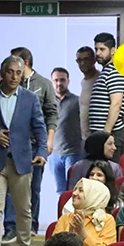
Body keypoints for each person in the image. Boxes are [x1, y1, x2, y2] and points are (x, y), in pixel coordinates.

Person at [0, 55, 48, 246]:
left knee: (23, 209)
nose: (14, 76)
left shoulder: (30, 98)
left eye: (19, 72)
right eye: (10, 72)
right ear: (2, 73)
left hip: (22, 159)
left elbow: (39, 127)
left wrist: (42, 152)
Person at [10, 48, 58, 236]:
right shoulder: (9, 84)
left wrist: (49, 140)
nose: (12, 70)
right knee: (11, 188)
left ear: (26, 63)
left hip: (35, 144)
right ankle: (10, 228)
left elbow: (52, 113)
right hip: (13, 145)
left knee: (33, 187)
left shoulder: (44, 84)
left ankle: (31, 227)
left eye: (15, 63)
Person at [55, 178, 116, 246]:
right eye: (75, 189)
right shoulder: (65, 218)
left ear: (94, 196)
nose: (74, 193)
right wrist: (69, 237)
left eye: (81, 190)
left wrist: (83, 234)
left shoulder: (107, 220)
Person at [89, 32, 124, 159]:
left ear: (113, 51)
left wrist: (105, 135)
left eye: (102, 49)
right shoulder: (105, 72)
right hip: (101, 136)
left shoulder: (115, 71)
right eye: (96, 49)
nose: (98, 53)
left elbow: (116, 104)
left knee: (110, 174)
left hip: (110, 136)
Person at [49, 66, 84, 194]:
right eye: (56, 80)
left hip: (73, 153)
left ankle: (75, 215)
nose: (59, 83)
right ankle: (63, 215)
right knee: (60, 192)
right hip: (54, 155)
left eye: (62, 80)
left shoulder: (77, 101)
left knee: (74, 189)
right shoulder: (47, 102)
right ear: (52, 81)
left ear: (68, 81)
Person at [77, 46, 100, 140]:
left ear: (94, 60)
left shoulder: (100, 79)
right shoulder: (83, 82)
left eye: (86, 59)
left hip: (98, 137)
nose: (82, 63)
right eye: (79, 60)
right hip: (85, 139)